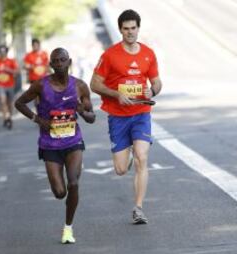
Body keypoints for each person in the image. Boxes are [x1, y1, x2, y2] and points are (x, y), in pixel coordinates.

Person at [15, 47, 95, 244]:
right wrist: (37, 119)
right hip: (50, 144)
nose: (59, 64)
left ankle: (68, 228)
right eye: (55, 61)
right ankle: (67, 200)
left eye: (62, 60)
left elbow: (92, 117)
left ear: (69, 62)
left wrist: (82, 112)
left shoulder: (80, 87)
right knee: (60, 193)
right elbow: (19, 103)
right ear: (51, 65)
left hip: (73, 141)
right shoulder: (40, 86)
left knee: (74, 183)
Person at [90, 9, 162, 224]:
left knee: (143, 157)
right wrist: (116, 94)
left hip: (141, 113)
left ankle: (138, 208)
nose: (130, 32)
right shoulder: (110, 55)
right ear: (121, 30)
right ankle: (126, 157)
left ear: (138, 28)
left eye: (133, 28)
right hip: (118, 116)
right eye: (126, 29)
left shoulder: (148, 53)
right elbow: (94, 84)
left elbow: (157, 81)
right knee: (121, 169)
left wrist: (153, 90)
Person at [0, 45, 19, 129]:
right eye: (0, 52)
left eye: (4, 52)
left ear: (6, 52)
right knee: (3, 101)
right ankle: (6, 117)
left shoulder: (12, 61)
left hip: (10, 84)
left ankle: (9, 117)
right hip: (0, 85)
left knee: (10, 103)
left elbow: (17, 72)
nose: (2, 53)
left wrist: (8, 70)